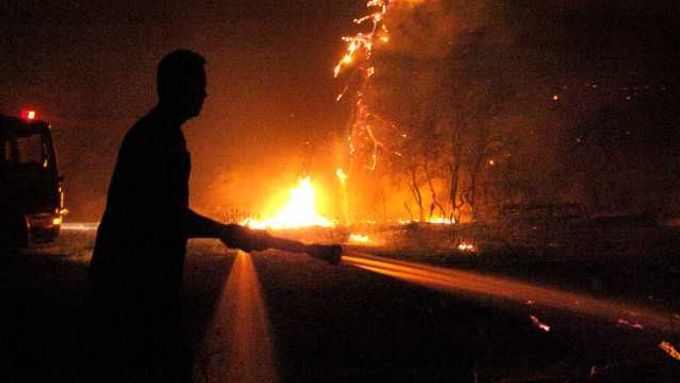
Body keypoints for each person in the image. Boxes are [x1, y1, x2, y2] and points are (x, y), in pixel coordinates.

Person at [88, 49, 340, 382]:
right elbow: (164, 215)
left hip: (138, 280)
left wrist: (227, 231)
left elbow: (167, 214)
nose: (205, 93)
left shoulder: (161, 134)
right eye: (200, 85)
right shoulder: (158, 139)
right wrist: (226, 231)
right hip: (132, 285)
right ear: (180, 87)